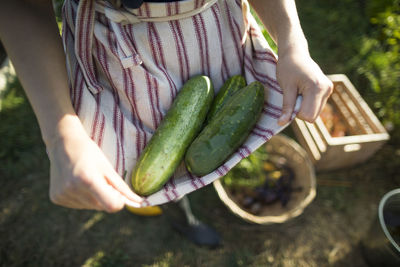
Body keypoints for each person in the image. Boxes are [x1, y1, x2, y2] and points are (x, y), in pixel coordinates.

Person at [0, 0, 332, 244]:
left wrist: (292, 43)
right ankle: (174, 213)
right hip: (119, 59)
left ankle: (180, 210)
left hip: (216, 35)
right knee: (138, 175)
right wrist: (61, 137)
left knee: (182, 161)